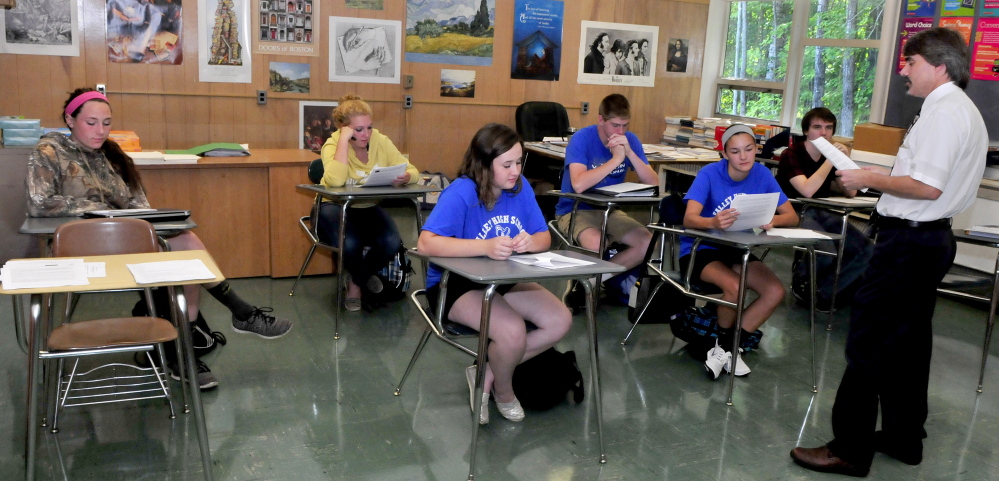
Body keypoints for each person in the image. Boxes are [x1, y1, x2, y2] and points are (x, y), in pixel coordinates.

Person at [791, 28, 988, 477]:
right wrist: (879, 174)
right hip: (928, 239)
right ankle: (903, 437)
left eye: (910, 62)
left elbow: (927, 186)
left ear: (938, 66)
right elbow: (926, 179)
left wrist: (870, 179)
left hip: (909, 243)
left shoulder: (943, 114)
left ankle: (848, 449)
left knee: (868, 342)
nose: (903, 70)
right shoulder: (959, 109)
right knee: (908, 345)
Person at [26, 88, 293, 390]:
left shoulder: (112, 154)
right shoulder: (48, 151)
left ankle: (187, 349)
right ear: (70, 119)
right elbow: (40, 202)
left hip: (123, 241)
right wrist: (99, 211)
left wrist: (149, 219)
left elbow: (138, 204)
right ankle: (240, 312)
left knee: (185, 245)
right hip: (78, 248)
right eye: (91, 122)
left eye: (106, 122)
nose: (100, 131)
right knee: (184, 250)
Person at [417, 123, 572, 424]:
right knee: (511, 332)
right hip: (456, 284)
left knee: (560, 320)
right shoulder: (461, 192)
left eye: (518, 162)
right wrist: (484, 246)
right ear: (485, 165)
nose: (515, 171)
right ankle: (504, 392)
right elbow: (426, 243)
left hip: (503, 277)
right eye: (507, 165)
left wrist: (530, 243)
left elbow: (544, 238)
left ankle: (484, 372)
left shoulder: (520, 187)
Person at [681, 124, 799, 379]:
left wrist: (773, 221)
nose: (743, 156)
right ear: (724, 155)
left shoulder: (763, 174)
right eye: (735, 152)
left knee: (775, 291)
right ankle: (726, 346)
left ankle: (725, 348)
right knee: (735, 287)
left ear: (756, 149)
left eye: (749, 149)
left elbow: (792, 216)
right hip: (702, 247)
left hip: (737, 248)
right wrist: (712, 222)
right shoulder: (709, 174)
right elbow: (689, 218)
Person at [555, 94, 658, 312]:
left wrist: (630, 152)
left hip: (609, 211)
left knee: (648, 243)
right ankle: (592, 281)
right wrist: (616, 160)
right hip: (575, 209)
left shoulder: (629, 140)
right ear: (601, 120)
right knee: (596, 243)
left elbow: (654, 183)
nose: (620, 132)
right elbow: (579, 184)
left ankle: (590, 283)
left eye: (625, 125)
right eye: (615, 125)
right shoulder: (582, 139)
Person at [318, 94, 420, 311]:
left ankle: (356, 279)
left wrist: (407, 177)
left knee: (391, 241)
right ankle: (356, 289)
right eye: (359, 129)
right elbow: (335, 181)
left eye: (369, 127)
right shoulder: (333, 144)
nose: (366, 134)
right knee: (351, 242)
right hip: (334, 206)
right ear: (344, 129)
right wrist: (344, 142)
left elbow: (413, 170)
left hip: (367, 206)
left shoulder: (380, 141)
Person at [776, 107, 873, 311]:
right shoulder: (791, 154)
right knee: (826, 249)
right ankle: (803, 282)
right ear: (806, 131)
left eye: (828, 128)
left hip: (821, 210)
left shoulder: (829, 158)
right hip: (792, 211)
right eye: (817, 127)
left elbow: (851, 193)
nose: (823, 133)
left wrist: (844, 163)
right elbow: (807, 191)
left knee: (867, 249)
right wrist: (830, 159)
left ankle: (824, 293)